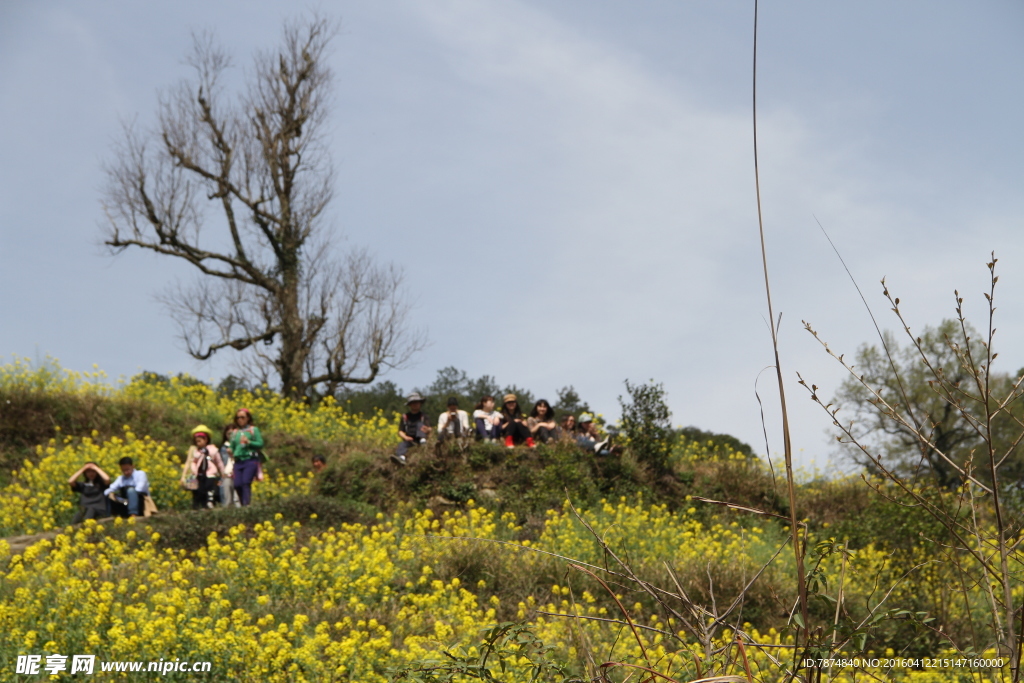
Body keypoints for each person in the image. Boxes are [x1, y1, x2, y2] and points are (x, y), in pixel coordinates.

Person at [230, 408, 264, 506]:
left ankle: (246, 505)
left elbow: (260, 444)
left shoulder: (253, 430)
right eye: (238, 418)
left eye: (242, 417)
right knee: (237, 484)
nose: (240, 420)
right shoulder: (235, 433)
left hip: (250, 460)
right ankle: (243, 504)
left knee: (245, 482)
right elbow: (232, 446)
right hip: (238, 461)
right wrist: (230, 450)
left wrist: (249, 442)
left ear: (248, 418)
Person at [185, 425, 225, 510]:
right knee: (198, 490)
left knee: (209, 489)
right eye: (196, 441)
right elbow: (193, 462)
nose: (198, 443)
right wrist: (194, 470)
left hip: (210, 474)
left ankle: (208, 504)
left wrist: (223, 473)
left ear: (206, 440)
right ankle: (197, 506)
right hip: (199, 474)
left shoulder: (213, 450)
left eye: (199, 441)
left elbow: (219, 462)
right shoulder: (196, 451)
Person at [392, 392, 432, 465]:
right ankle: (401, 458)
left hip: (421, 438)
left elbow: (430, 428)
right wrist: (405, 437)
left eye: (417, 402)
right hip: (410, 440)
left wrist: (427, 430)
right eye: (413, 403)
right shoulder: (405, 417)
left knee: (419, 424)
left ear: (420, 403)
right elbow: (400, 431)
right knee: (402, 445)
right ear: (410, 405)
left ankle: (422, 441)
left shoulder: (424, 416)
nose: (415, 404)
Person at [219, 424, 239, 507]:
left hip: (238, 472)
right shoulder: (224, 447)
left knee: (237, 497)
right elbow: (222, 462)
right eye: (229, 434)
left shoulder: (240, 446)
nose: (231, 436)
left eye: (233, 433)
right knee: (226, 496)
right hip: (227, 473)